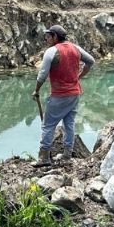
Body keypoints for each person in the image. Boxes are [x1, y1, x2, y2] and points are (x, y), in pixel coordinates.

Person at [32, 25, 95, 167]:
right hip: (74, 93)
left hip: (59, 95)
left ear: (55, 37)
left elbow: (42, 74)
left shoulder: (52, 51)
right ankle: (67, 155)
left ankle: (44, 157)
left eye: (49, 36)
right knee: (69, 124)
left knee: (48, 125)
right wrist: (79, 77)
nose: (47, 39)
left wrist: (36, 90)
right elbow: (91, 61)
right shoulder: (75, 48)